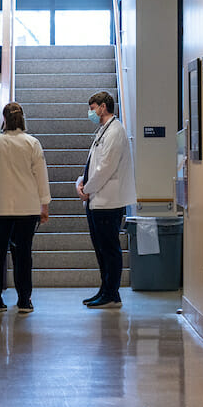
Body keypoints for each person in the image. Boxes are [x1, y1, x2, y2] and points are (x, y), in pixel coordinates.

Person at [0, 102, 50, 315]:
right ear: (22, 119)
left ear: (4, 120)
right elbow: (41, 176)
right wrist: (44, 205)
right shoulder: (32, 143)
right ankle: (24, 300)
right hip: (27, 207)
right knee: (23, 254)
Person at [75, 91, 136, 308]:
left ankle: (112, 293)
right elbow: (94, 164)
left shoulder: (115, 132)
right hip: (97, 200)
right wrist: (81, 183)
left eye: (93, 108)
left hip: (108, 202)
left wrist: (88, 189)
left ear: (103, 107)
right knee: (101, 249)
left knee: (109, 249)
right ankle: (106, 289)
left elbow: (105, 168)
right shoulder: (104, 131)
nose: (91, 112)